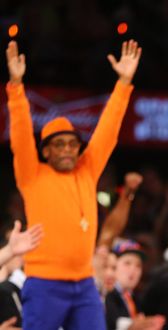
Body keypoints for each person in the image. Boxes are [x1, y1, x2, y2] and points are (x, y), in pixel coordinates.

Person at [6, 39, 141, 330]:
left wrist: (124, 82)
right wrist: (16, 86)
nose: (68, 149)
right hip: (44, 283)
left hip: (84, 285)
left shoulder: (87, 170)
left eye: (72, 144)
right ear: (45, 151)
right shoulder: (32, 174)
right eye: (59, 145)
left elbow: (108, 130)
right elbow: (19, 135)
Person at [105, 239, 165, 330]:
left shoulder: (135, 298)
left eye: (138, 266)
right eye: (127, 263)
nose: (133, 270)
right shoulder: (106, 294)